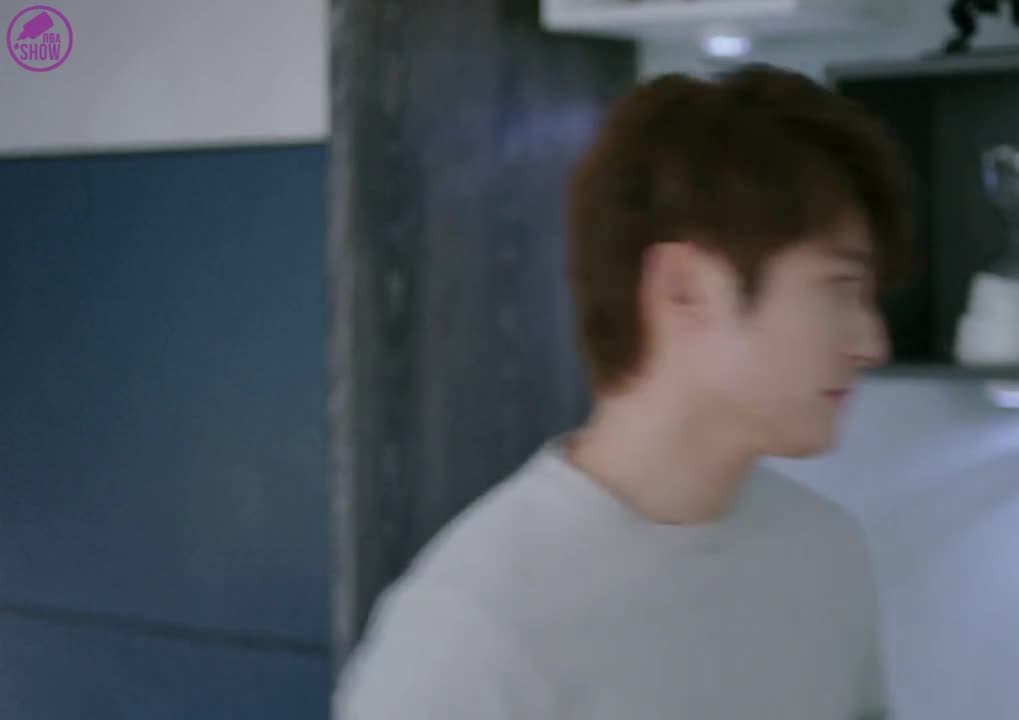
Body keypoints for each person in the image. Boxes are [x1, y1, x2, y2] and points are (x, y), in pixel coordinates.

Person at [333, 61, 914, 720]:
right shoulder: (475, 626)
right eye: (840, 288)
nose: (871, 343)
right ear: (684, 288)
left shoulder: (825, 555)